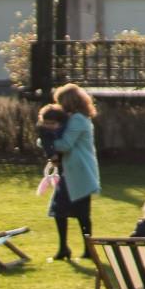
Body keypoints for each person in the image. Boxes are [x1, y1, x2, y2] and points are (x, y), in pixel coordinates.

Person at [47, 83, 100, 262]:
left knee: (74, 213)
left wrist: (47, 141)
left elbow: (66, 145)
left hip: (78, 173)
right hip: (73, 173)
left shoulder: (77, 119)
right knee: (65, 211)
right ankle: (73, 248)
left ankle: (77, 249)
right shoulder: (79, 118)